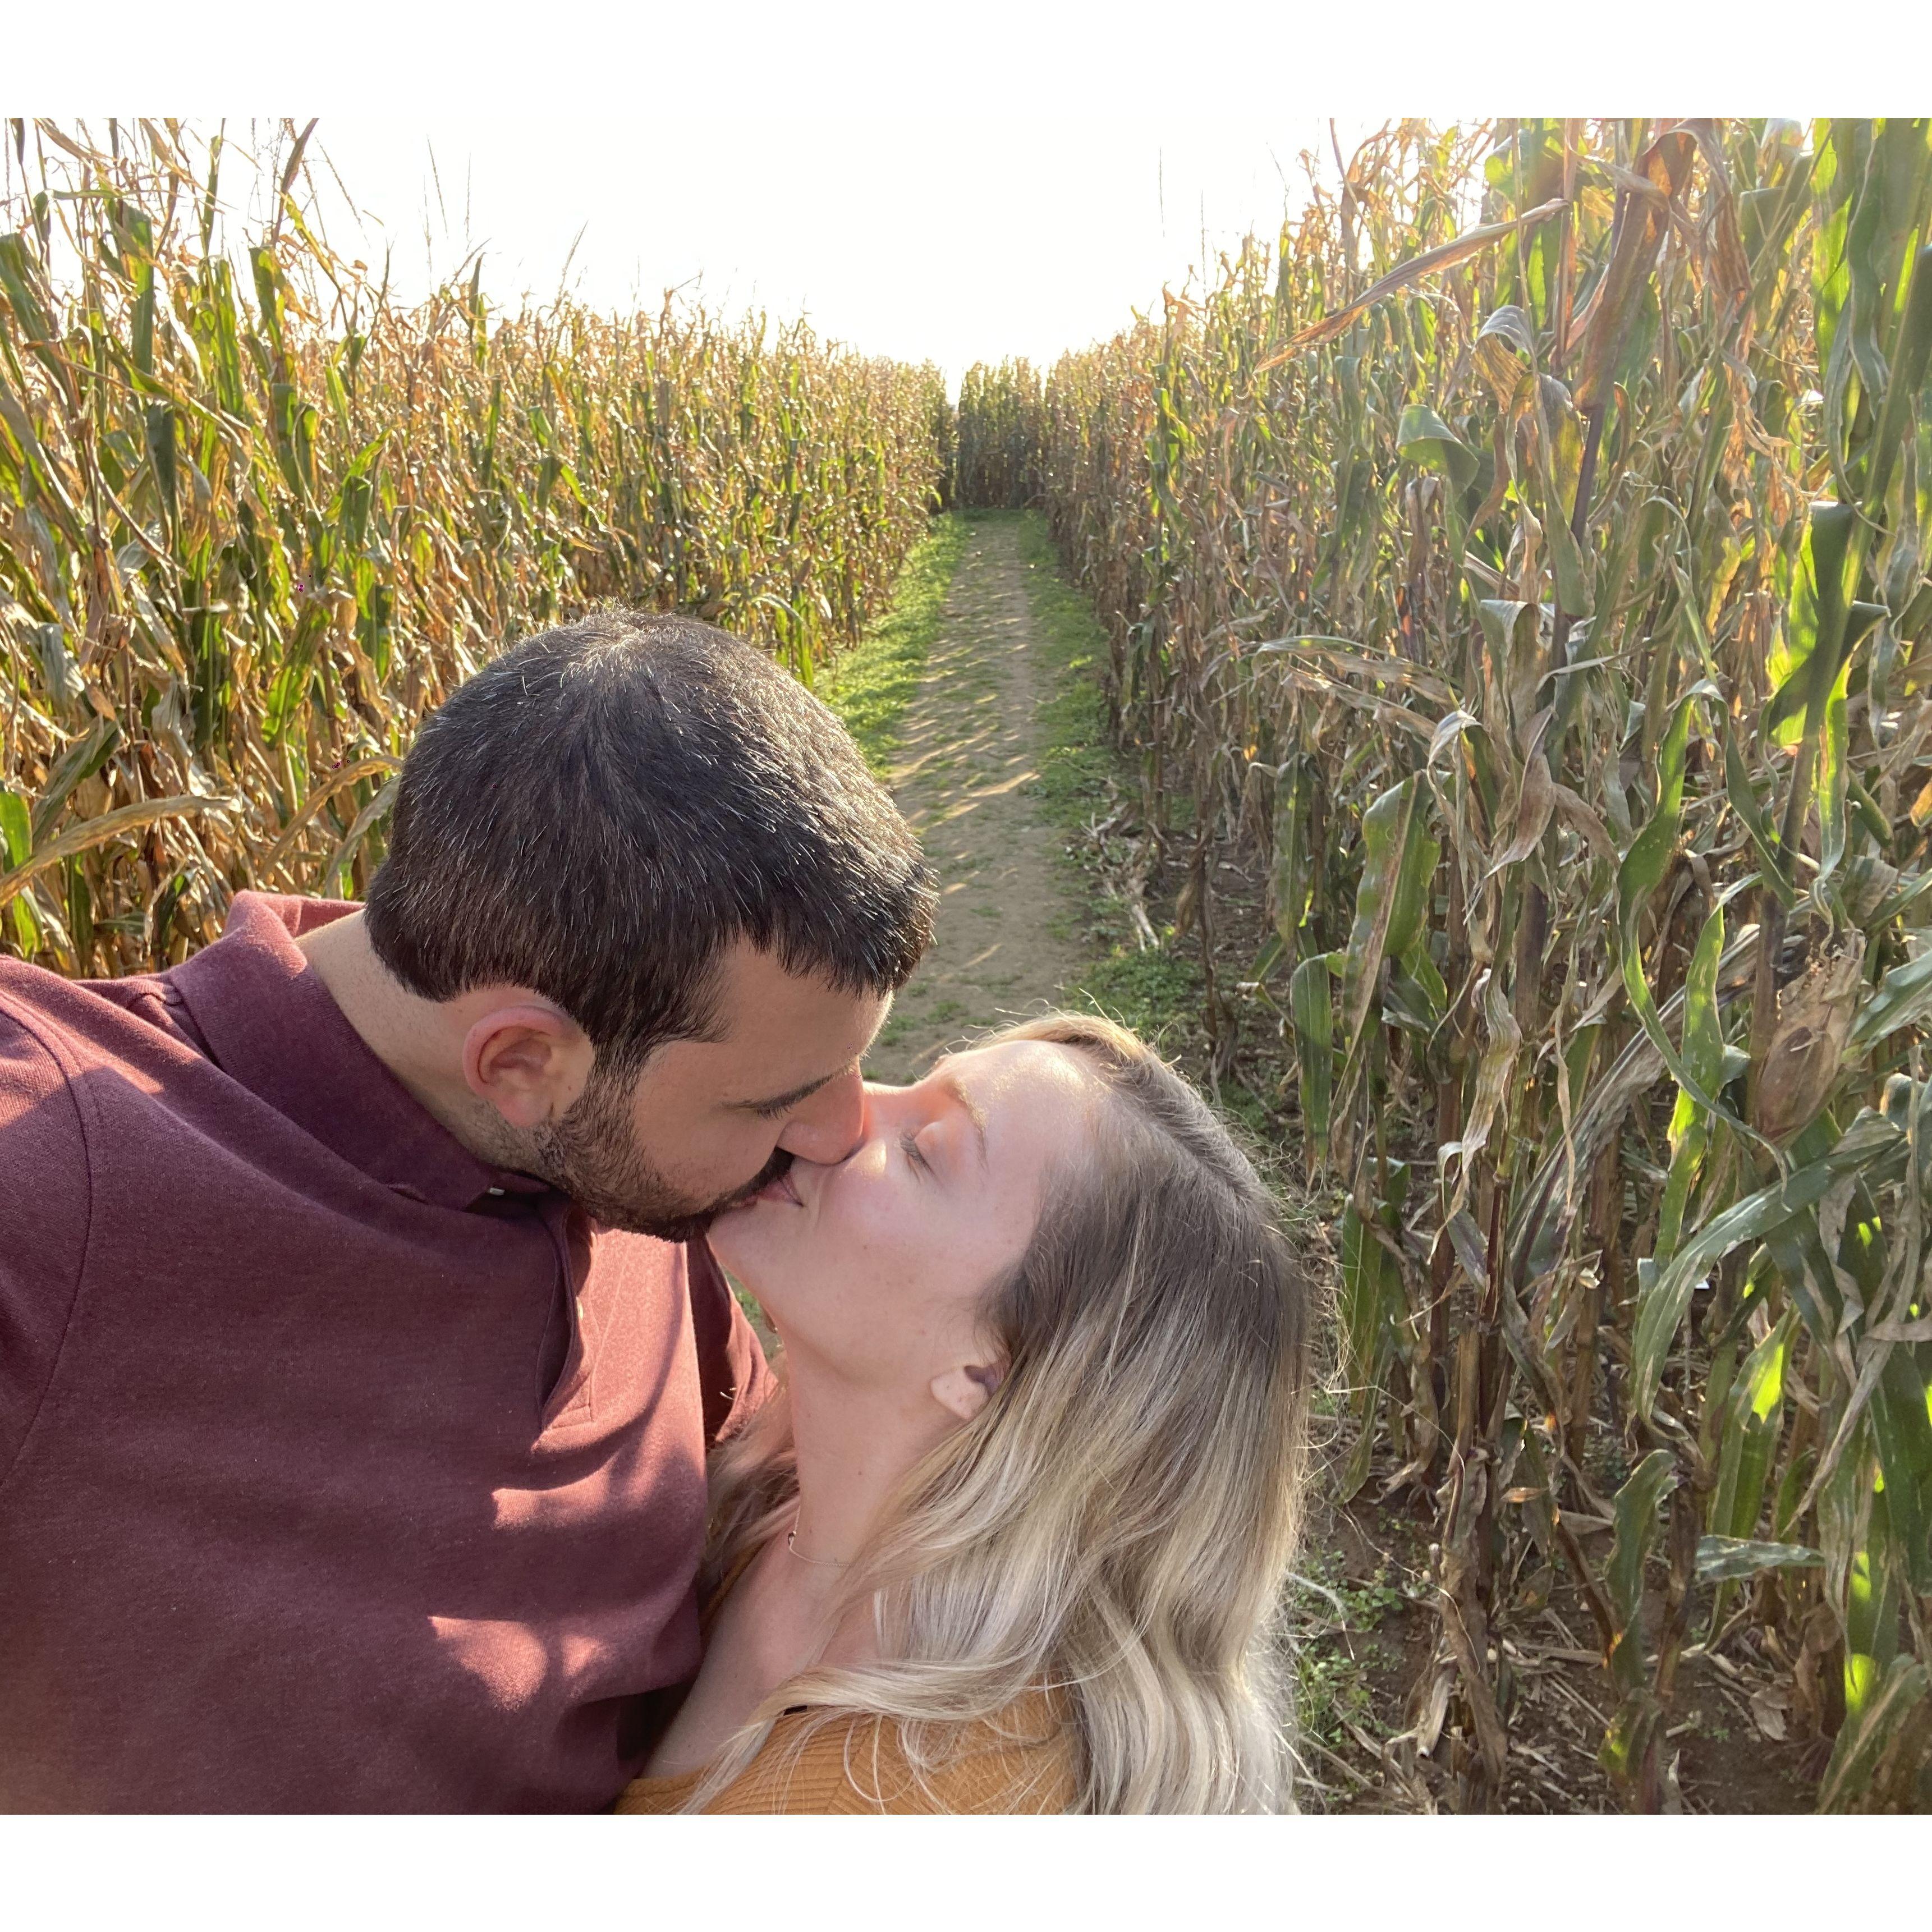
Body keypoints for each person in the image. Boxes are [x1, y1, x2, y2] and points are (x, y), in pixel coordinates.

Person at [0, 609, 934, 1811]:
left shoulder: (638, 1191)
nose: (841, 1132)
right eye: (777, 1101)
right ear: (521, 1063)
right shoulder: (54, 1176)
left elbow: (767, 1505)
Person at [616, 1013, 1311, 1815]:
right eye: (911, 1080)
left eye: (923, 1151)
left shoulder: (931, 1803)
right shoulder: (767, 1482)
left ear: (984, 1371)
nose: (845, 1105)